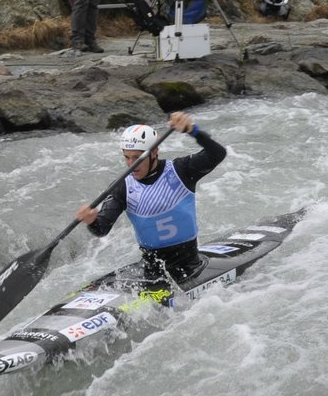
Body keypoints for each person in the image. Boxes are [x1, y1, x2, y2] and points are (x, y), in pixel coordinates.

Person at [75, 111, 226, 286]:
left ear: (154, 152)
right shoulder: (122, 186)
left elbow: (218, 153)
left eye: (137, 157)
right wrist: (91, 220)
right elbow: (101, 229)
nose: (132, 164)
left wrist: (192, 131)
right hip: (152, 269)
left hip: (189, 266)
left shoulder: (181, 171)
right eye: (127, 157)